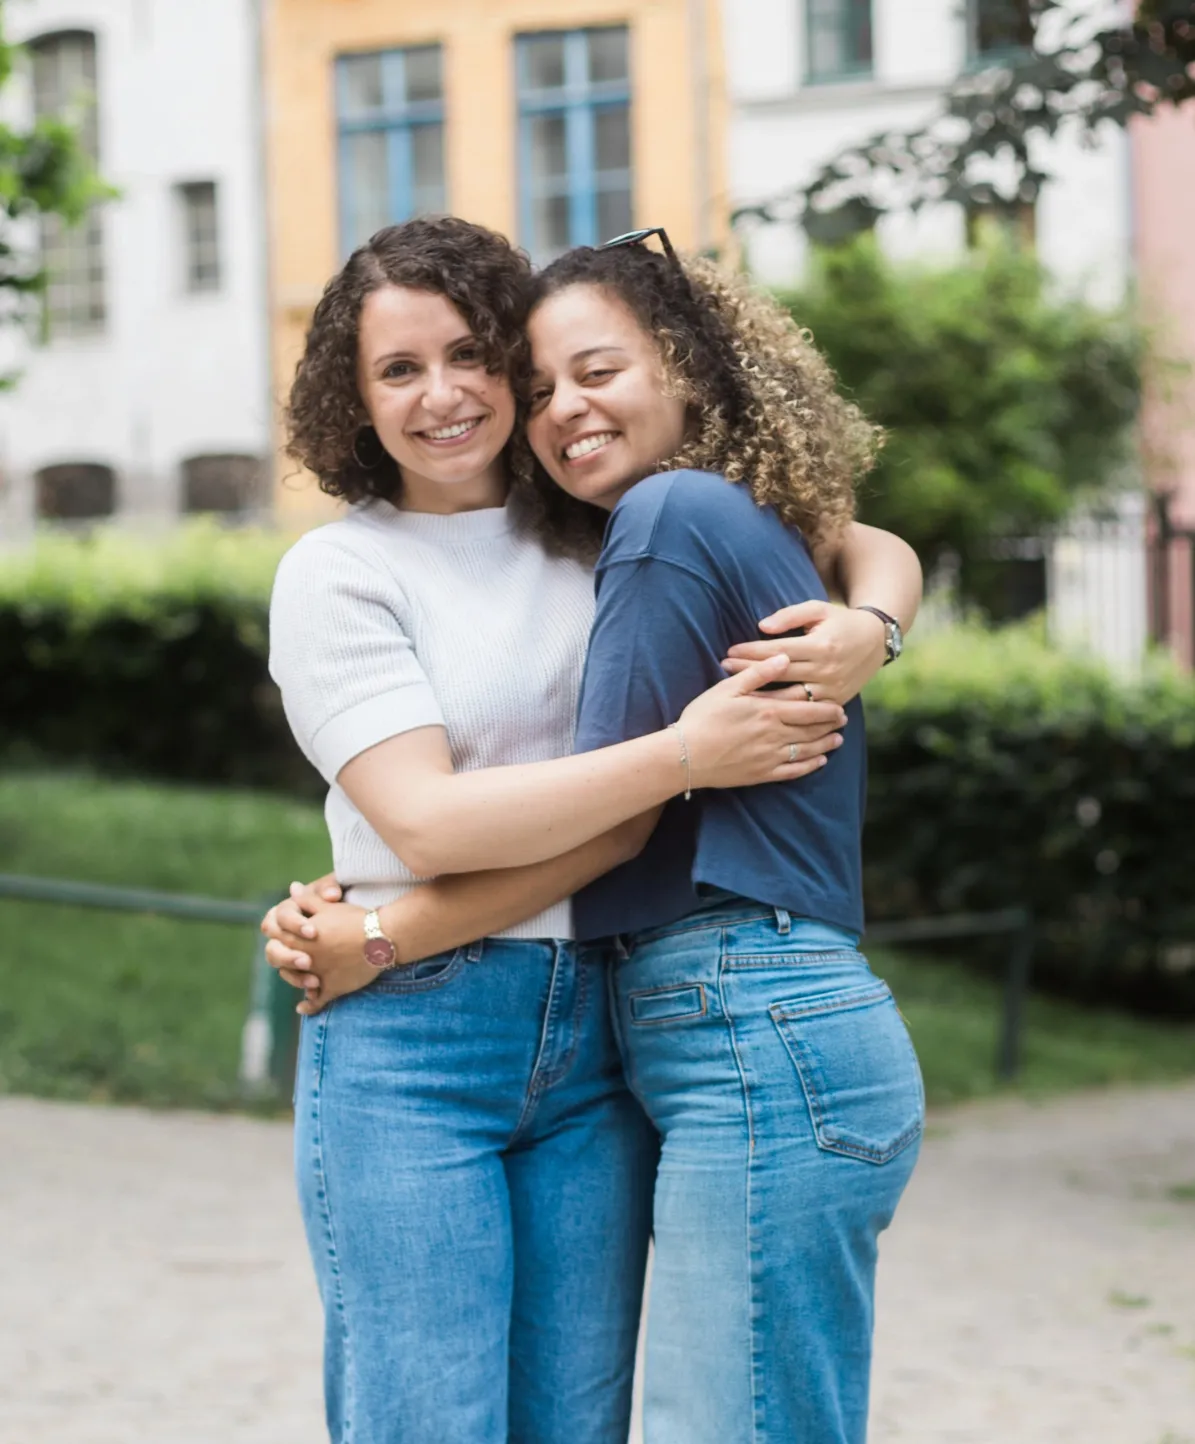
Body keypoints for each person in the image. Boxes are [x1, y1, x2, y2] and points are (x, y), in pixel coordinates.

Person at [265, 217, 922, 1444]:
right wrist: (680, 759)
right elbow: (428, 820)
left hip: (598, 1036)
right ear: (349, 399)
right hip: (418, 1042)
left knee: (578, 1423)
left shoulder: (601, 523)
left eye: (475, 358)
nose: (447, 395)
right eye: (397, 370)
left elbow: (846, 536)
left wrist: (874, 623)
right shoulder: (339, 571)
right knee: (430, 1421)